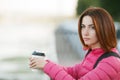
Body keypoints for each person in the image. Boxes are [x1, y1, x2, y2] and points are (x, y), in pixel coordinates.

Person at [29, 7, 120, 80]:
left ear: (104, 29)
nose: (85, 32)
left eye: (92, 27)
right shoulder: (93, 53)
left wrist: (47, 66)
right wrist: (45, 63)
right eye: (83, 27)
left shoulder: (111, 62)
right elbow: (73, 71)